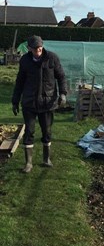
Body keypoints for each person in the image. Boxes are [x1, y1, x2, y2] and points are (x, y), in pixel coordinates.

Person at [12, 35, 67, 173]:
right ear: (29, 49)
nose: (38, 51)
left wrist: (63, 93)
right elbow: (20, 81)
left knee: (47, 131)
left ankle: (46, 159)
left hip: (47, 102)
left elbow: (61, 77)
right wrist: (15, 100)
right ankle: (28, 163)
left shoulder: (52, 58)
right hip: (29, 102)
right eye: (35, 49)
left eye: (40, 49)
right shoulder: (25, 60)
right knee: (29, 131)